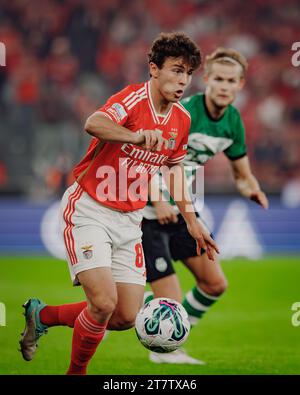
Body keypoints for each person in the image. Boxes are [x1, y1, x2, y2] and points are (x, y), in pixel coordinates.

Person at [19, 32, 219, 375]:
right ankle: (76, 373)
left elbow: (173, 168)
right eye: (175, 70)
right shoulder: (132, 98)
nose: (183, 80)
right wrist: (134, 135)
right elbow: (93, 123)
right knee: (103, 302)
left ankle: (43, 316)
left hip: (130, 220)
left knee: (125, 316)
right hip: (90, 209)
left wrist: (191, 219)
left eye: (187, 73)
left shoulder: (182, 120)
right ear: (153, 69)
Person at [141, 47, 269, 364]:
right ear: (207, 80)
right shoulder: (182, 113)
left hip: (183, 212)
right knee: (155, 303)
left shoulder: (233, 122)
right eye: (219, 79)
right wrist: (157, 200)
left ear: (240, 85)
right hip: (146, 212)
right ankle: (161, 345)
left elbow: (242, 174)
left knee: (214, 283)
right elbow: (143, 161)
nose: (225, 86)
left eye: (232, 81)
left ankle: (169, 337)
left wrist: (251, 188)